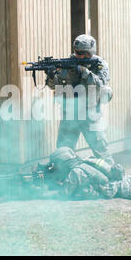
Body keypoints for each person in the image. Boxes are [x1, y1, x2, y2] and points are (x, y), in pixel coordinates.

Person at [45, 34, 115, 165]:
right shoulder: (68, 63)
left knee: (102, 152)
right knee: (63, 153)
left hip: (90, 114)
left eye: (81, 53)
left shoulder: (99, 64)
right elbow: (54, 85)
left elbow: (100, 83)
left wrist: (84, 71)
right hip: (70, 115)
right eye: (76, 52)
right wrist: (50, 76)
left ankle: (115, 179)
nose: (77, 55)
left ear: (89, 53)